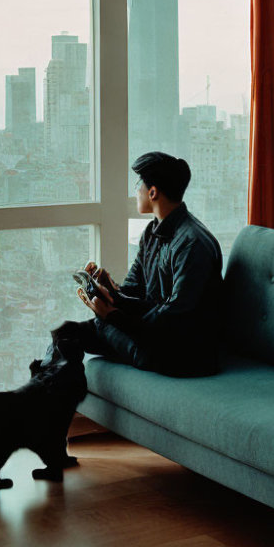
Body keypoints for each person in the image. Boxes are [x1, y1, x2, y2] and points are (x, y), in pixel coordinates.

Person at [54, 151, 223, 378]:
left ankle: (48, 400)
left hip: (181, 353)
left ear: (152, 192)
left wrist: (112, 316)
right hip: (152, 336)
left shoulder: (192, 244)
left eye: (138, 184)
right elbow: (134, 291)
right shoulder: (151, 233)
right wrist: (110, 289)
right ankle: (44, 395)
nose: (135, 191)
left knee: (99, 326)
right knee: (65, 333)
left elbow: (174, 319)